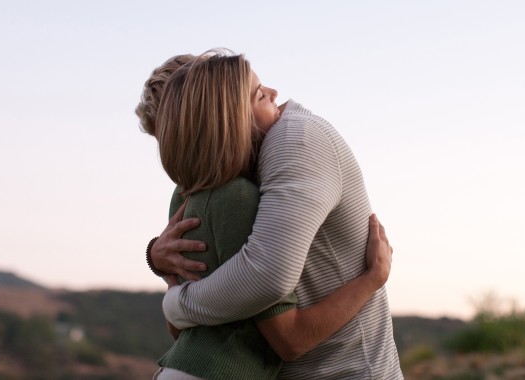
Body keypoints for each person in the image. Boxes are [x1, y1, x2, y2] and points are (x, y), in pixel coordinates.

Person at [147, 50, 404, 379]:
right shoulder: (219, 193)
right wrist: (156, 259)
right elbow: (275, 330)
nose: (274, 94)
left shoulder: (293, 140)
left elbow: (266, 286)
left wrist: (175, 302)